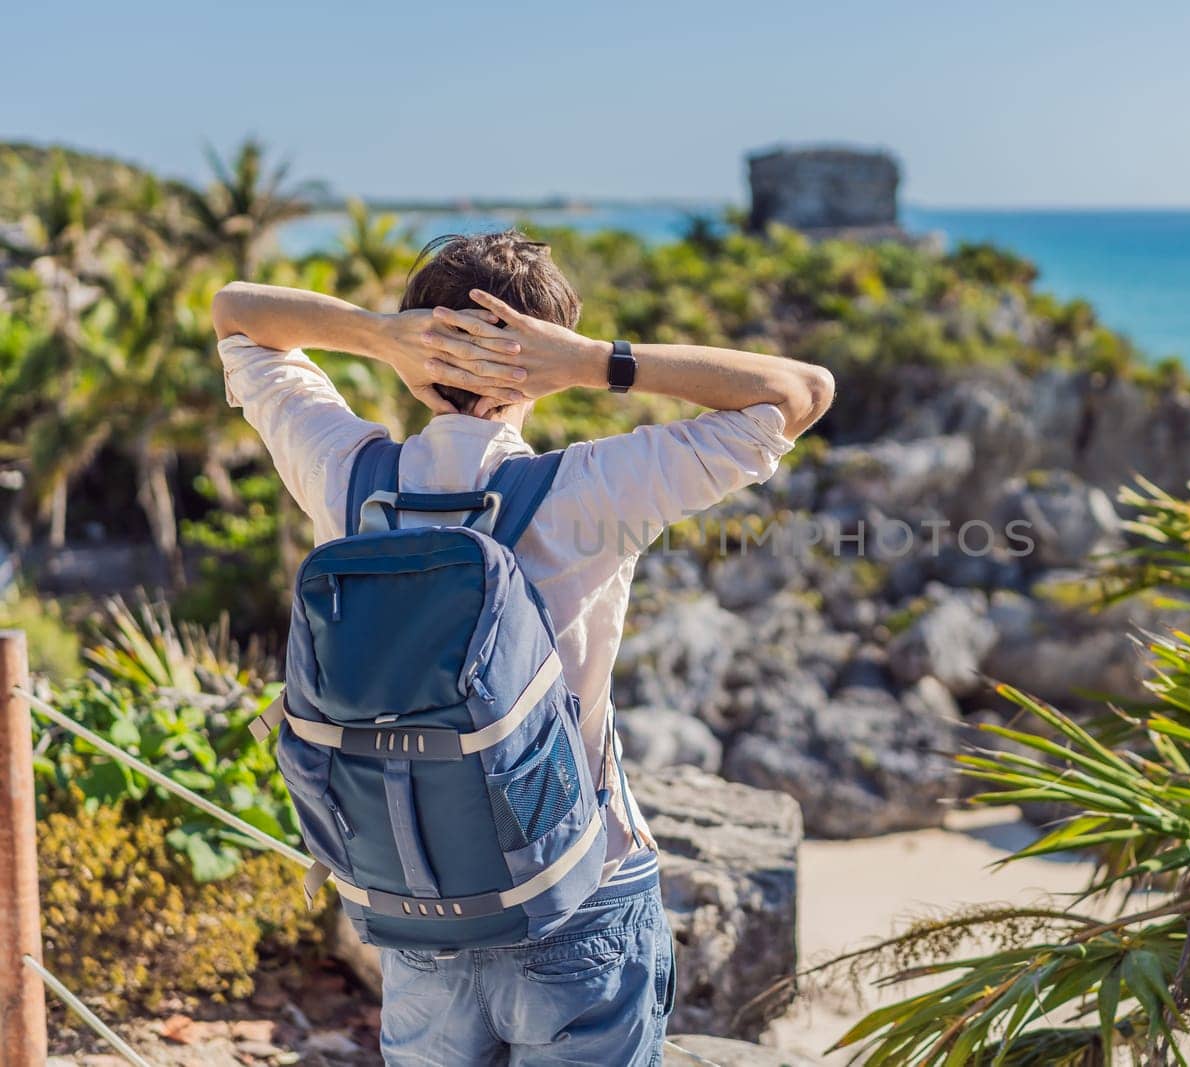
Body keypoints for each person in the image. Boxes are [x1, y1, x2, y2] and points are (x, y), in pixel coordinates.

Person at [210, 230, 834, 1066]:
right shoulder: (590, 489)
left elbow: (236, 314)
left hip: (415, 900)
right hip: (574, 895)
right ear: (539, 361)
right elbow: (800, 390)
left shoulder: (345, 472)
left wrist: (381, 334)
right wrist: (592, 363)